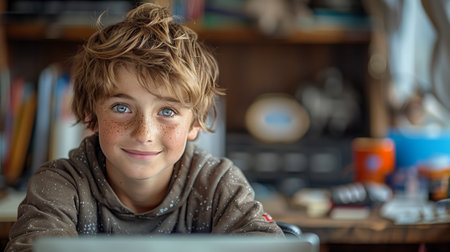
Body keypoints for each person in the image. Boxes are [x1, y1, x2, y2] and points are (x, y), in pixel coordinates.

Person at [5, 3, 284, 251]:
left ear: (195, 123)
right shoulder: (59, 184)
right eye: (121, 108)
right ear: (91, 114)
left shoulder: (217, 183)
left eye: (167, 111)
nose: (144, 134)